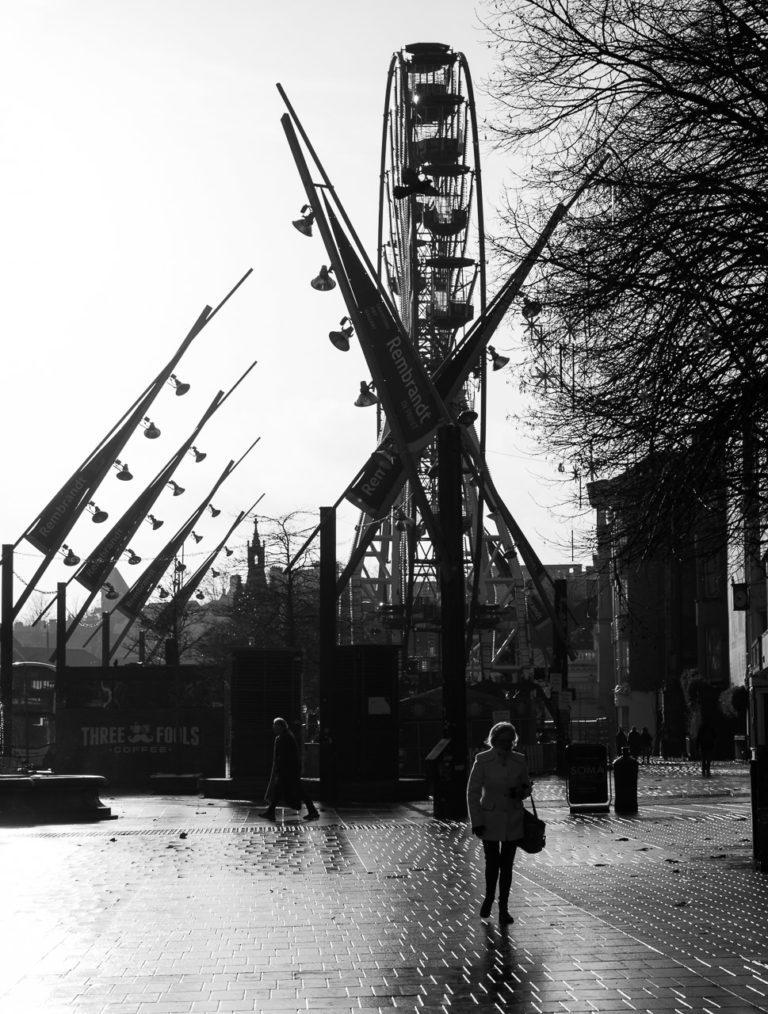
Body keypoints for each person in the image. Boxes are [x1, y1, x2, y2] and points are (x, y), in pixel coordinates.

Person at [467, 721, 532, 926]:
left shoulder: (519, 760)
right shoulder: (483, 760)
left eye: (510, 741)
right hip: (490, 819)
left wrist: (522, 791)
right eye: (503, 741)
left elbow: (527, 786)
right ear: (494, 741)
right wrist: (476, 820)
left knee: (507, 865)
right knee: (492, 863)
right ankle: (489, 897)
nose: (507, 745)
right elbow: (473, 793)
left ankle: (503, 907)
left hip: (513, 817)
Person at [261, 717, 319, 821]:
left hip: (288, 771)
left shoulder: (284, 737)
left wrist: (279, 769)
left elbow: (284, 756)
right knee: (281, 791)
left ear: (280, 726)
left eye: (275, 726)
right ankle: (271, 812)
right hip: (289, 770)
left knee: (297, 791)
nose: (273, 728)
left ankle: (313, 811)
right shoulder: (285, 735)